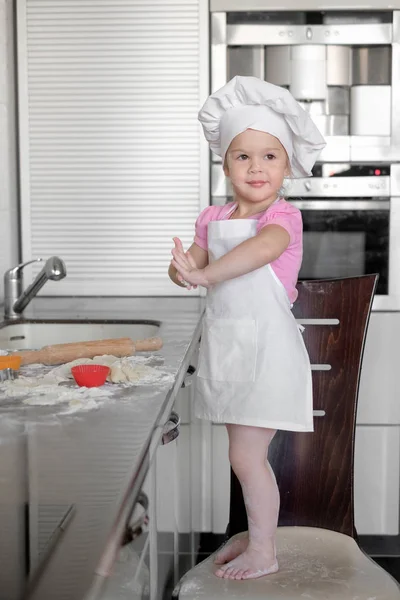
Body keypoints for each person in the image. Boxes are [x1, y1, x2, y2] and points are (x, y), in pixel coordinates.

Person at [168, 76, 326, 581]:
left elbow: (261, 251)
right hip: (231, 351)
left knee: (246, 454)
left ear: (287, 166)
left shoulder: (283, 217)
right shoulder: (212, 217)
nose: (256, 167)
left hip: (268, 354)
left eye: (270, 157)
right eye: (243, 157)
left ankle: (264, 550)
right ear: (225, 164)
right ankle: (257, 541)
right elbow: (191, 265)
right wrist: (180, 269)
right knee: (242, 455)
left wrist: (204, 274)